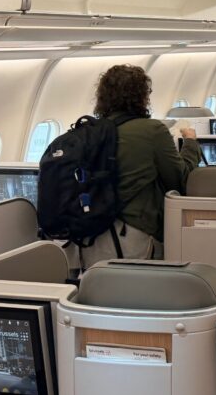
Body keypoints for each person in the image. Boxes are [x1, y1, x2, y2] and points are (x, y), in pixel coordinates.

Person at [80, 64, 201, 266]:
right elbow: (180, 180)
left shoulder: (88, 131)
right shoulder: (152, 130)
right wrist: (190, 143)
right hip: (133, 236)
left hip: (89, 237)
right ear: (142, 96)